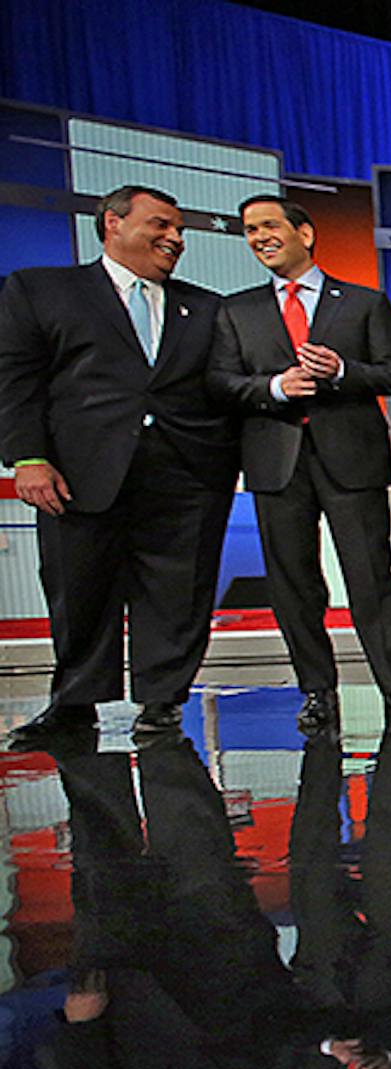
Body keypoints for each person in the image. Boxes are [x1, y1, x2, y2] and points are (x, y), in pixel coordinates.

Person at [0, 185, 237, 746]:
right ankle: (74, 705)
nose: (175, 238)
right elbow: (16, 380)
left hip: (185, 477)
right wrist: (28, 458)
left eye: (179, 230)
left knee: (179, 593)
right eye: (161, 224)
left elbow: (224, 387)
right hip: (78, 473)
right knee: (77, 588)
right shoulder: (41, 290)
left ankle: (162, 701)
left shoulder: (206, 306)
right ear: (112, 223)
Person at [209, 193, 391, 732]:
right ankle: (316, 692)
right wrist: (274, 387)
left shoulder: (363, 303)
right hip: (275, 462)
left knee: (371, 578)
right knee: (294, 584)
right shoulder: (235, 311)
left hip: (351, 460)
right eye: (250, 230)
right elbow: (220, 383)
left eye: (268, 226)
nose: (259, 237)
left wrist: (342, 371)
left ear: (304, 234)